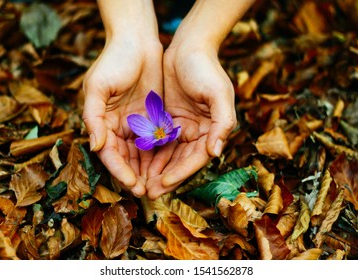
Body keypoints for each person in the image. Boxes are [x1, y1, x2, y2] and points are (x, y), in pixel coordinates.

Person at [82, 0, 255, 200]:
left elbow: (167, 132)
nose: (160, 133)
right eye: (159, 133)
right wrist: (128, 31)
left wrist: (200, 40)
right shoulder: (154, 130)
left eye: (162, 133)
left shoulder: (165, 130)